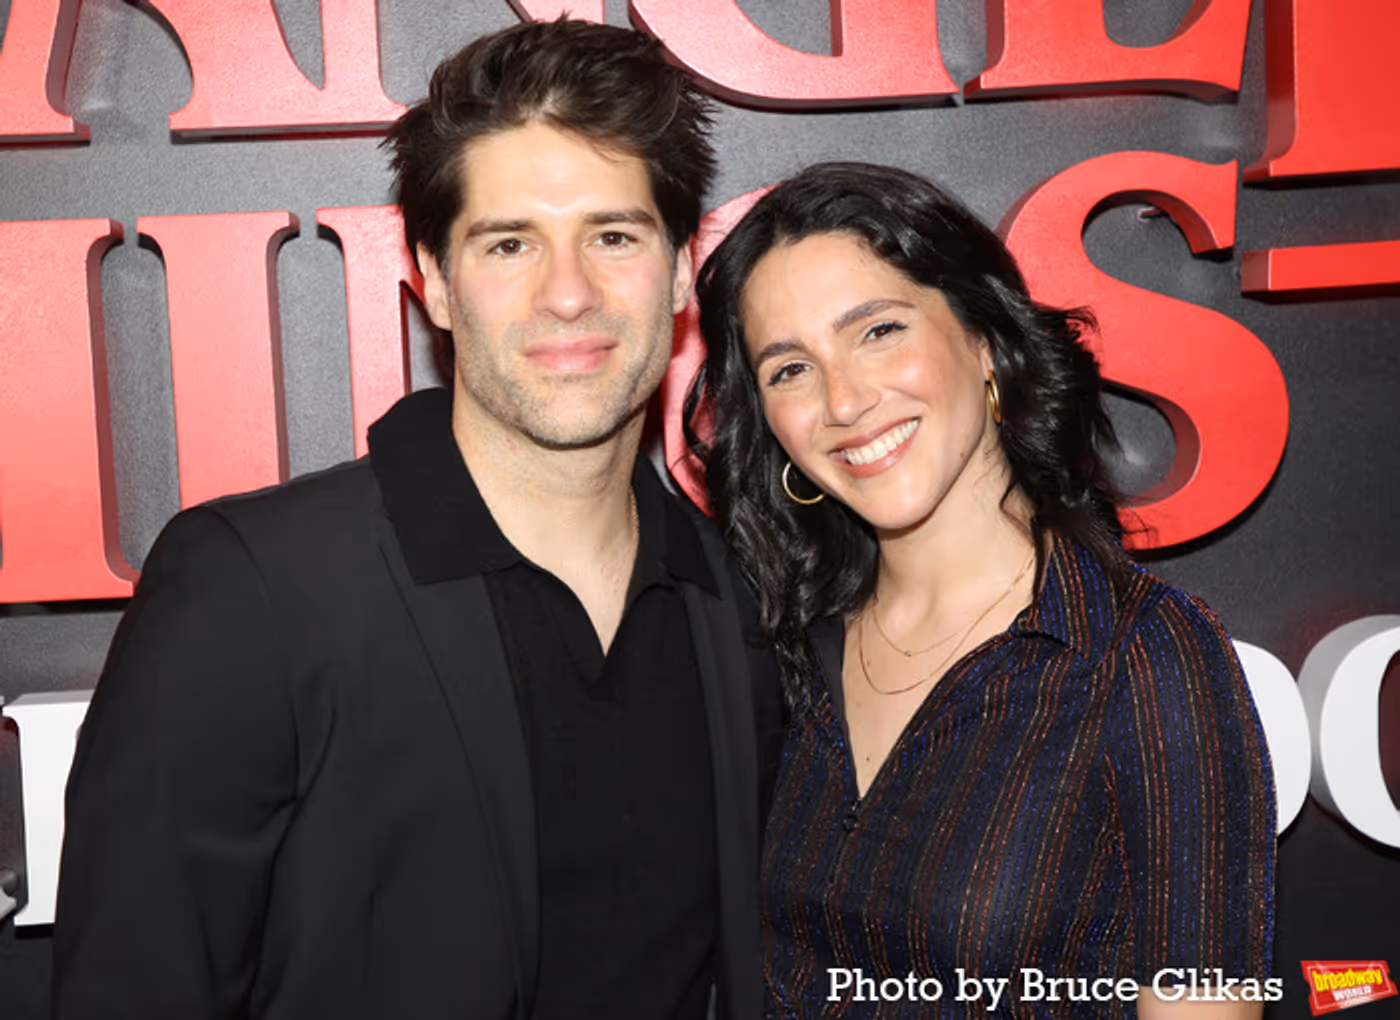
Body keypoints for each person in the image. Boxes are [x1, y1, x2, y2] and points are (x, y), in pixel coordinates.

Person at [54, 19, 780, 1020]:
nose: (567, 294)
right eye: (510, 243)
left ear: (675, 266)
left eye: (612, 236)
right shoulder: (254, 591)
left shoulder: (736, 603)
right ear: (432, 278)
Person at [688, 162, 1276, 1018]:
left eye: (878, 331)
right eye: (789, 370)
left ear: (985, 339)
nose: (844, 400)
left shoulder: (1143, 656)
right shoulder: (782, 650)